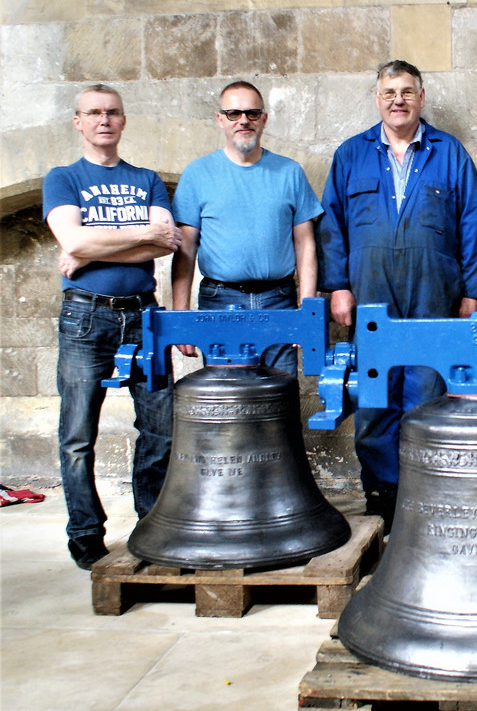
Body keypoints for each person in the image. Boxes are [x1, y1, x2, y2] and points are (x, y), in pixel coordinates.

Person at [318, 60, 477, 531]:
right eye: (389, 91)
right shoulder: (351, 155)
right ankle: (383, 495)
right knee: (374, 396)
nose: (398, 99)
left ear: (421, 96)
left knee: (426, 393)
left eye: (407, 91)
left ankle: (424, 490)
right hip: (370, 295)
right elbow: (332, 226)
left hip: (433, 295)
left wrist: (473, 292)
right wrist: (337, 286)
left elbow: (474, 223)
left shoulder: (449, 153)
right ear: (378, 98)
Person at [43, 84, 181, 569]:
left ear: (123, 121)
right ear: (78, 121)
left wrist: (89, 245)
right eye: (94, 113)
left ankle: (153, 523)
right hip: (86, 315)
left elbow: (166, 244)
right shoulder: (62, 178)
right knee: (78, 434)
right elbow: (71, 237)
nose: (104, 120)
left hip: (144, 314)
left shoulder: (146, 179)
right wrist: (138, 233)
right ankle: (84, 532)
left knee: (160, 427)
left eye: (113, 112)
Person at [171, 81, 322, 378]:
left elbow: (306, 245)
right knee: (225, 404)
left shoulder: (290, 172)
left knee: (279, 399)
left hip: (279, 300)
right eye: (233, 113)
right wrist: (180, 316)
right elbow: (185, 249)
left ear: (263, 119)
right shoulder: (197, 174)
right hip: (220, 300)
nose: (243, 120)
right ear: (220, 119)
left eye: (252, 113)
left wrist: (307, 311)